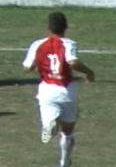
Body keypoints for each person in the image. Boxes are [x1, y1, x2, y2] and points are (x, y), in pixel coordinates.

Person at [22, 12, 95, 167]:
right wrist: (89, 72)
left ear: (48, 27)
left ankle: (49, 123)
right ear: (66, 27)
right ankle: (64, 162)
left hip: (47, 91)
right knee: (68, 131)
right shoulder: (69, 43)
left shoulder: (38, 44)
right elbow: (72, 61)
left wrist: (36, 65)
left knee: (48, 119)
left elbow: (26, 67)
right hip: (67, 91)